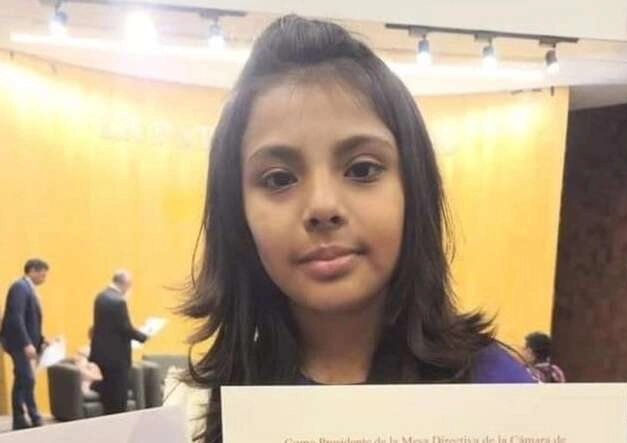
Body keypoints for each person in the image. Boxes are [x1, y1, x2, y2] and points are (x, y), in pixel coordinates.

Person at [167, 15, 534, 442]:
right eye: (279, 178)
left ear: (413, 189)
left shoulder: (498, 394)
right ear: (237, 212)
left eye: (361, 169)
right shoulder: (204, 403)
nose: (323, 206)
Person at [89, 270, 148, 414]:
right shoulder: (119, 301)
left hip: (101, 355)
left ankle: (108, 420)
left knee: (108, 394)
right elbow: (125, 328)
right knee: (119, 396)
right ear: (125, 284)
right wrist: (143, 336)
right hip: (117, 358)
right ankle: (118, 421)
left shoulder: (100, 297)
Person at [0, 258, 49, 430]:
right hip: (18, 343)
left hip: (23, 342)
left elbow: (30, 321)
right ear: (33, 270)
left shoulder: (28, 288)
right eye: (43, 275)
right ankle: (34, 416)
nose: (44, 279)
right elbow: (16, 317)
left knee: (21, 379)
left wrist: (41, 339)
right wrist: (26, 343)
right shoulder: (20, 287)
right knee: (27, 378)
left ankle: (19, 418)